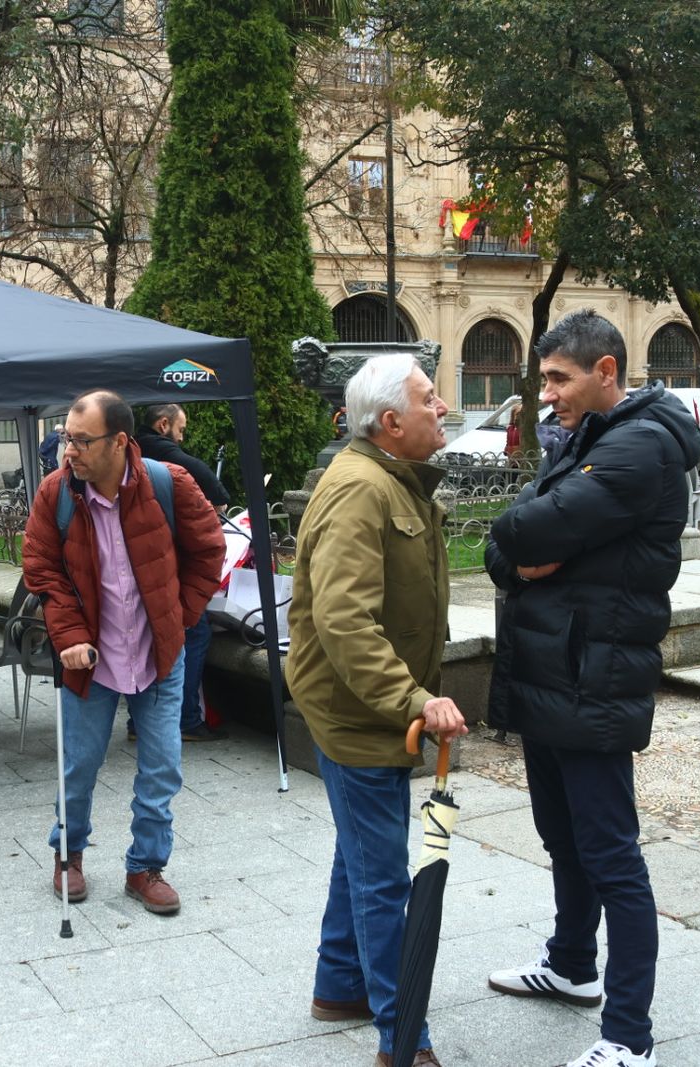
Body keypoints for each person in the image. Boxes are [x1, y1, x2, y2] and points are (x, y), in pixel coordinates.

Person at [483, 309, 700, 1067]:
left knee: (611, 855)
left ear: (607, 371)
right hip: (556, 670)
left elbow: (527, 530)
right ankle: (573, 964)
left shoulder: (639, 446)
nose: (547, 394)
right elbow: (509, 539)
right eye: (545, 378)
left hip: (594, 676)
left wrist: (527, 546)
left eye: (559, 378)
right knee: (562, 837)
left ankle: (629, 1037)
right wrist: (523, 548)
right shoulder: (587, 437)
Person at [284, 354, 467, 1067]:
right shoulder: (364, 489)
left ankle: (339, 985)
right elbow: (346, 622)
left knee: (361, 853)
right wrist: (416, 699)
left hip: (367, 709)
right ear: (390, 422)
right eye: (428, 397)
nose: (442, 405)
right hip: (358, 712)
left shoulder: (389, 478)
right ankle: (402, 1033)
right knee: (384, 876)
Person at [21, 389, 223, 916]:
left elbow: (210, 551)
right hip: (89, 658)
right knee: (79, 765)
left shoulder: (168, 485)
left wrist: (178, 618)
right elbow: (41, 568)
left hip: (157, 654)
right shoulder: (56, 493)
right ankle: (68, 856)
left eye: (83, 441)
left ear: (120, 442)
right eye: (68, 438)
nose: (71, 450)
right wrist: (68, 637)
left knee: (162, 767)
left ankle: (146, 867)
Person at [135, 402, 231, 743]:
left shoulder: (127, 452)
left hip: (134, 569)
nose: (182, 435)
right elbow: (217, 503)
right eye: (181, 428)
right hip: (168, 566)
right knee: (195, 631)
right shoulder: (174, 462)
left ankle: (139, 722)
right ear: (163, 425)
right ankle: (185, 719)